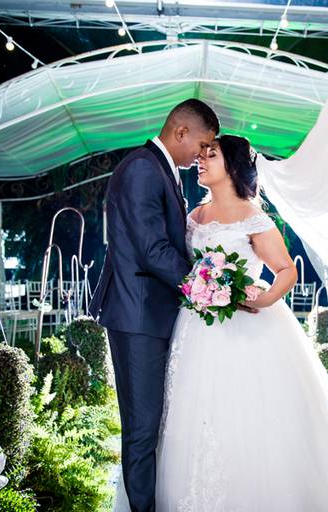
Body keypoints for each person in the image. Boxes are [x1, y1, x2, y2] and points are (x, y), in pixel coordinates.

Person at [115, 135, 328, 511]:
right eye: (201, 154)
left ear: (232, 167)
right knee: (187, 415)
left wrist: (265, 298)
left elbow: (286, 270)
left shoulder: (253, 217)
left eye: (211, 155)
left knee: (246, 415)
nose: (201, 160)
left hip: (246, 329)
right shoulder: (194, 216)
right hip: (194, 327)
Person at [90, 98, 219, 512]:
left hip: (153, 313)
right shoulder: (143, 169)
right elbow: (153, 249)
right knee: (142, 428)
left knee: (156, 424)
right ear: (181, 132)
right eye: (202, 145)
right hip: (138, 314)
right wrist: (207, 287)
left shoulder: (159, 169)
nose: (202, 155)